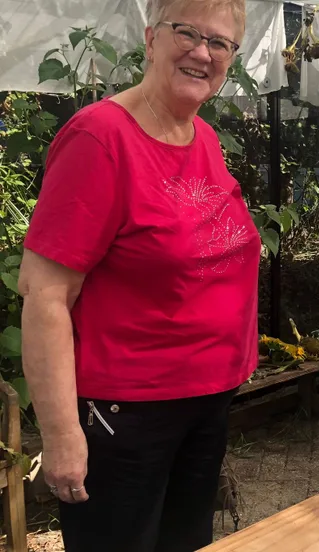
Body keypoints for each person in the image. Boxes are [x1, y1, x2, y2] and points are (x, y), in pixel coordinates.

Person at [18, 1, 260, 550]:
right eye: (187, 33)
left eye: (220, 43)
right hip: (127, 414)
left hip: (205, 400)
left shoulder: (202, 136)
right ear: (151, 40)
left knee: (186, 542)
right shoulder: (99, 138)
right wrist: (61, 434)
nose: (203, 52)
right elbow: (45, 295)